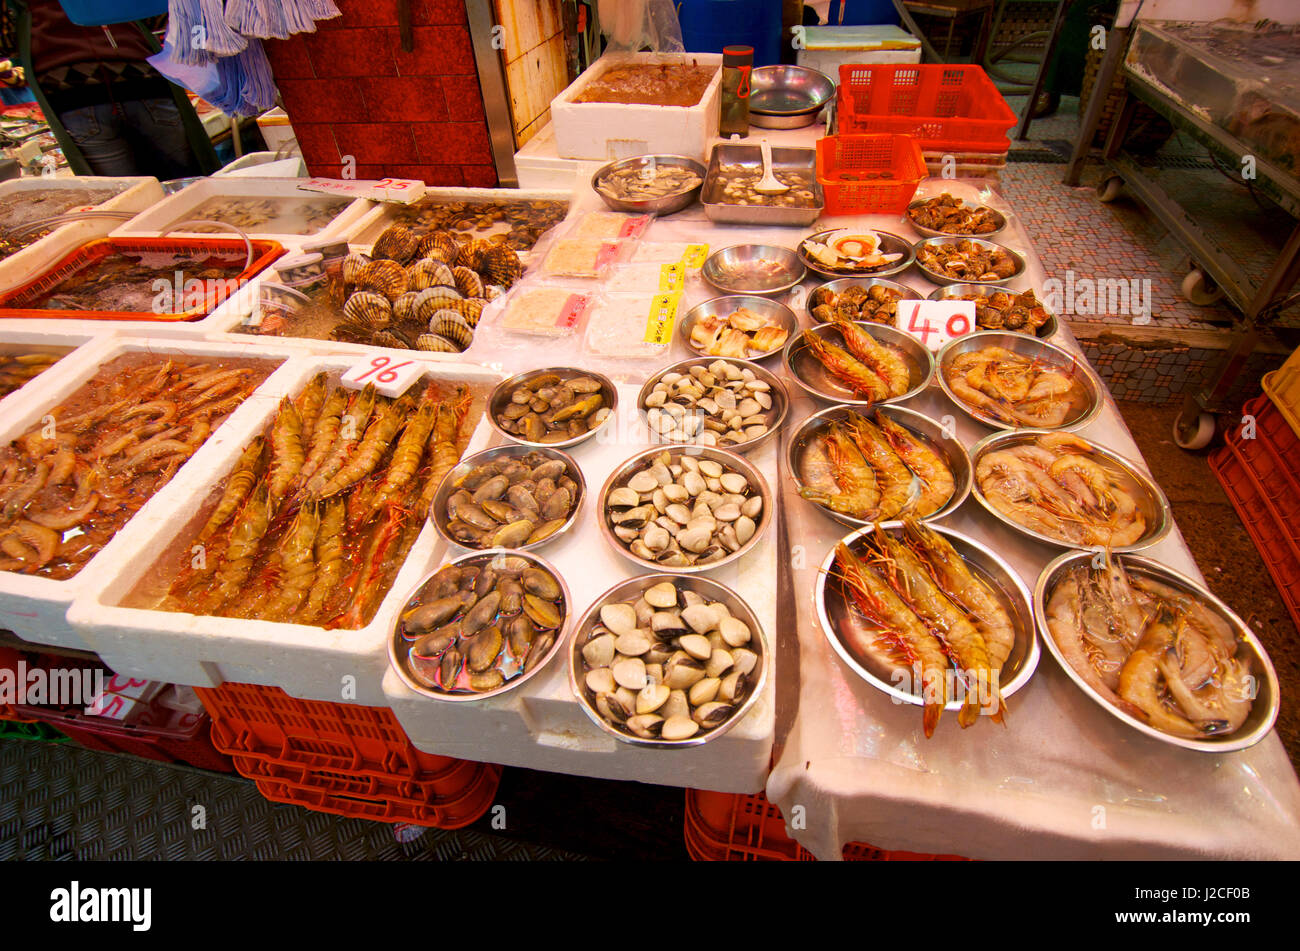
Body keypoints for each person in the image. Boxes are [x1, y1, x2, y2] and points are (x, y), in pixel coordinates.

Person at [13, 0, 202, 178]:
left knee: (126, 195)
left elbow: (9, 41)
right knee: (185, 183)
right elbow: (156, 17)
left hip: (76, 97)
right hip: (139, 79)